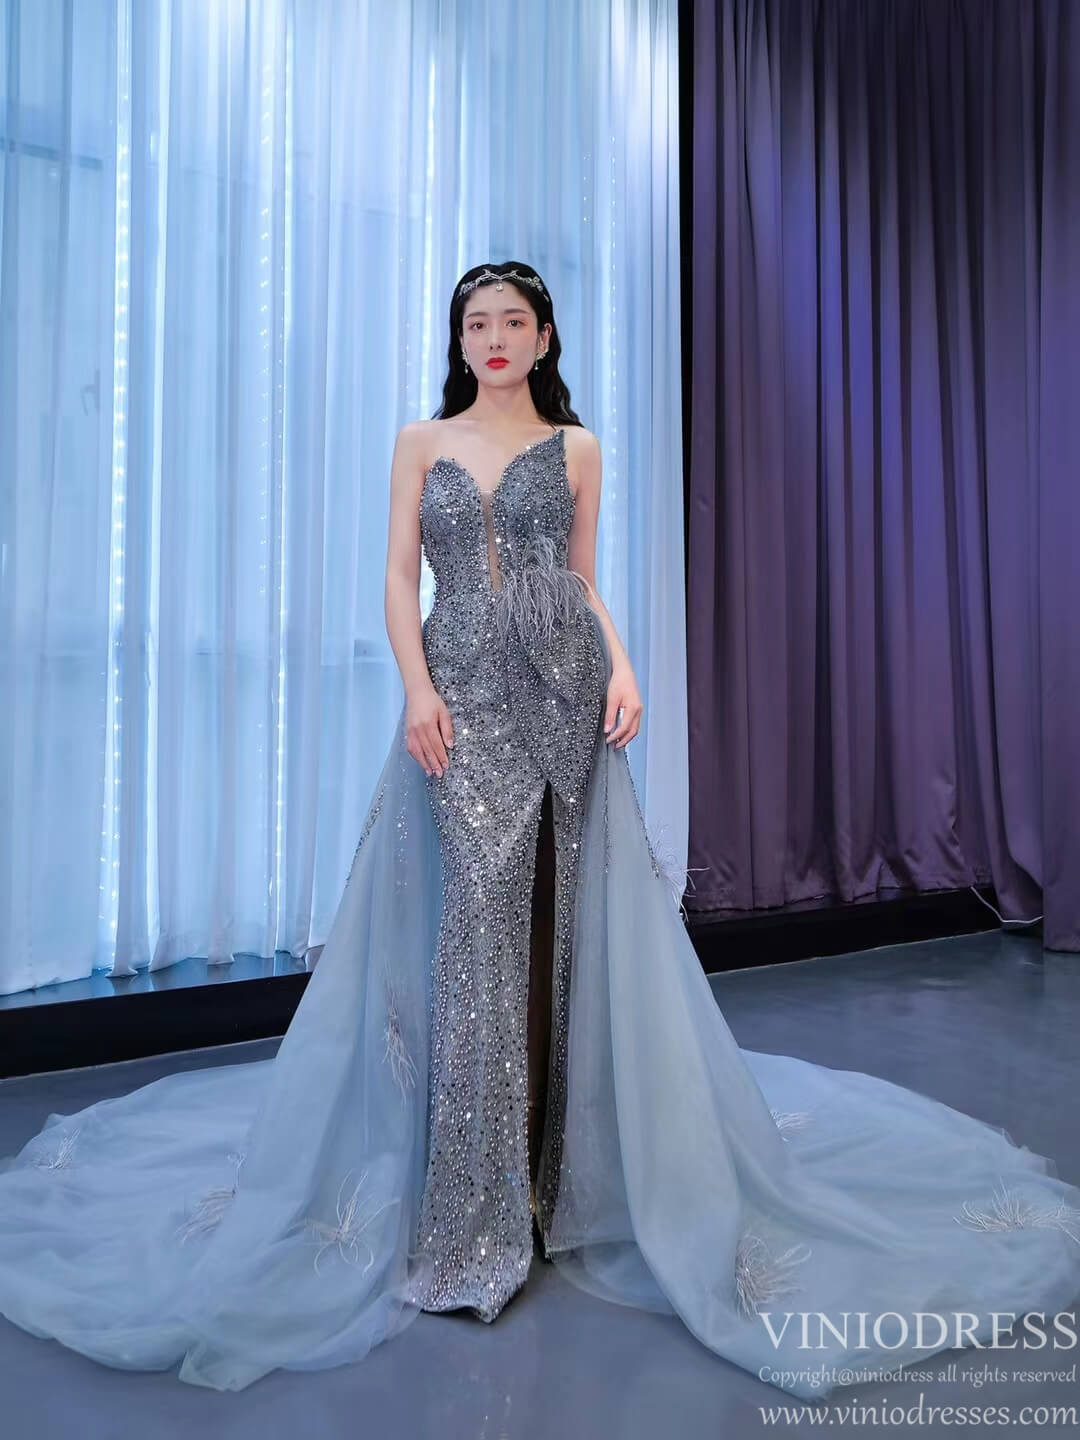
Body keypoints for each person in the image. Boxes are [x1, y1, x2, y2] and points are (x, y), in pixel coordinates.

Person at [1, 262, 1078, 1397]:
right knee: (475, 935)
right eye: (478, 322)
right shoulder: (422, 441)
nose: (496, 337)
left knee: (555, 934)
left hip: (563, 691)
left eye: (514, 320)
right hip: (460, 693)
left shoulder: (578, 448)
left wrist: (624, 667)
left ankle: (552, 1181)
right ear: (460, 339)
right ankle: (471, 1217)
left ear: (546, 335)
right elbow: (398, 578)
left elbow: (582, 579)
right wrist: (417, 691)